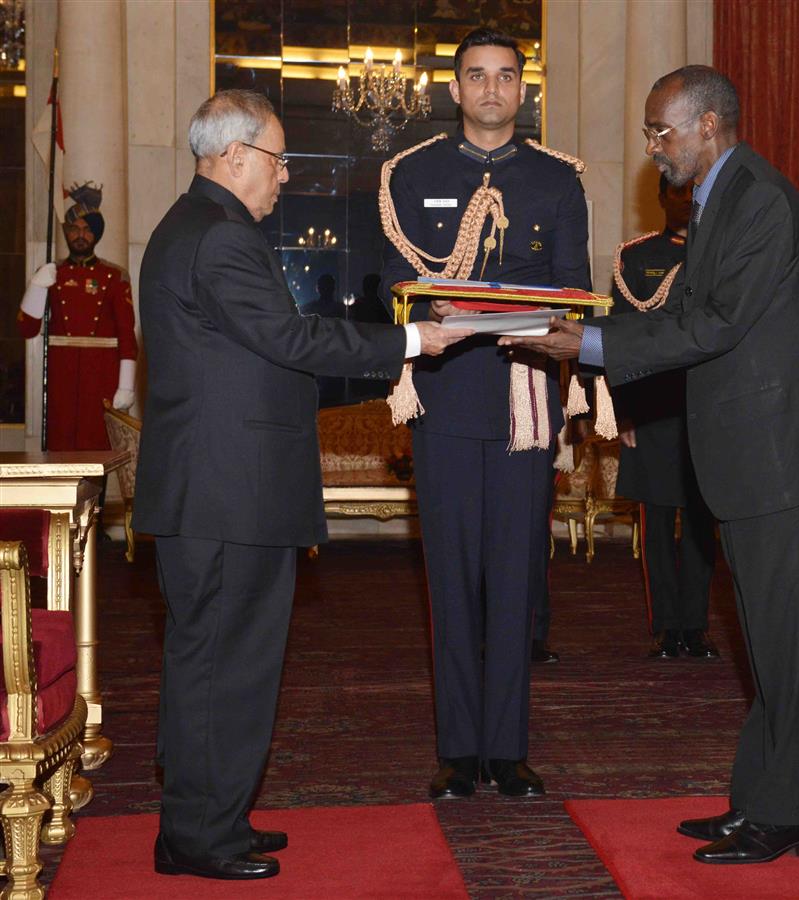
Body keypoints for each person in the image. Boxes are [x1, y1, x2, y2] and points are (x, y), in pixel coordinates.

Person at [501, 64, 799, 864]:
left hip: (779, 453)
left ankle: (787, 815)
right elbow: (692, 314)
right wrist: (592, 336)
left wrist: (591, 344)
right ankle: (762, 799)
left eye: (660, 131)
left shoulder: (758, 197)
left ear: (707, 125)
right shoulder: (719, 196)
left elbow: (715, 323)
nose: (652, 147)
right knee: (764, 637)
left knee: (784, 640)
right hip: (751, 450)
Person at [135, 89, 464, 881]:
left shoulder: (195, 226)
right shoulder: (219, 236)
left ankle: (207, 822)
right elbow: (290, 339)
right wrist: (410, 339)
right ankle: (201, 837)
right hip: (228, 494)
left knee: (215, 661)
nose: (284, 177)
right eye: (279, 161)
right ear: (236, 156)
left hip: (217, 490)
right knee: (225, 665)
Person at [378, 27, 592, 802]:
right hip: (445, 395)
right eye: (477, 76)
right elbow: (393, 285)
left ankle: (508, 750)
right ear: (455, 88)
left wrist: (524, 321)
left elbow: (574, 288)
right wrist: (432, 308)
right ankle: (457, 751)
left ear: (523, 89)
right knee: (450, 578)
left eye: (506, 76)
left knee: (514, 576)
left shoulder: (557, 179)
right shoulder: (413, 173)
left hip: (523, 397)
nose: (492, 89)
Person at [610, 175, 718, 659]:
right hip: (652, 406)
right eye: (676, 192)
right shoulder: (637, 257)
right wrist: (625, 411)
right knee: (656, 522)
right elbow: (621, 336)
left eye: (693, 192)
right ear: (660, 199)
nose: (685, 200)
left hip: (706, 403)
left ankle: (696, 626)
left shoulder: (721, 251)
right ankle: (666, 627)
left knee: (701, 522)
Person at [18, 183, 138, 449]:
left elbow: (127, 335)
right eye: (74, 228)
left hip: (101, 374)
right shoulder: (53, 273)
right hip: (62, 374)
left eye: (87, 229)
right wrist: (36, 287)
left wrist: (126, 384)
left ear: (96, 234)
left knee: (98, 445)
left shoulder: (114, 276)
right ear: (66, 233)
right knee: (61, 442)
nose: (80, 235)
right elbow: (27, 329)